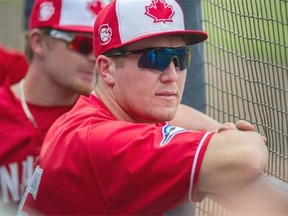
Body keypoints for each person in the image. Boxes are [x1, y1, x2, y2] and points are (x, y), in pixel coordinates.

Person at [17, 0, 288, 215]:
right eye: (154, 58)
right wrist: (248, 139)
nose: (172, 75)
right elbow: (245, 156)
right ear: (107, 69)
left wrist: (216, 129)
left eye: (180, 58)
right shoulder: (104, 143)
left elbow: (177, 115)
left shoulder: (94, 116)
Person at [0, 0, 111, 212]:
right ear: (39, 42)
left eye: (100, 47)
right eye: (82, 44)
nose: (93, 58)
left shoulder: (103, 113)